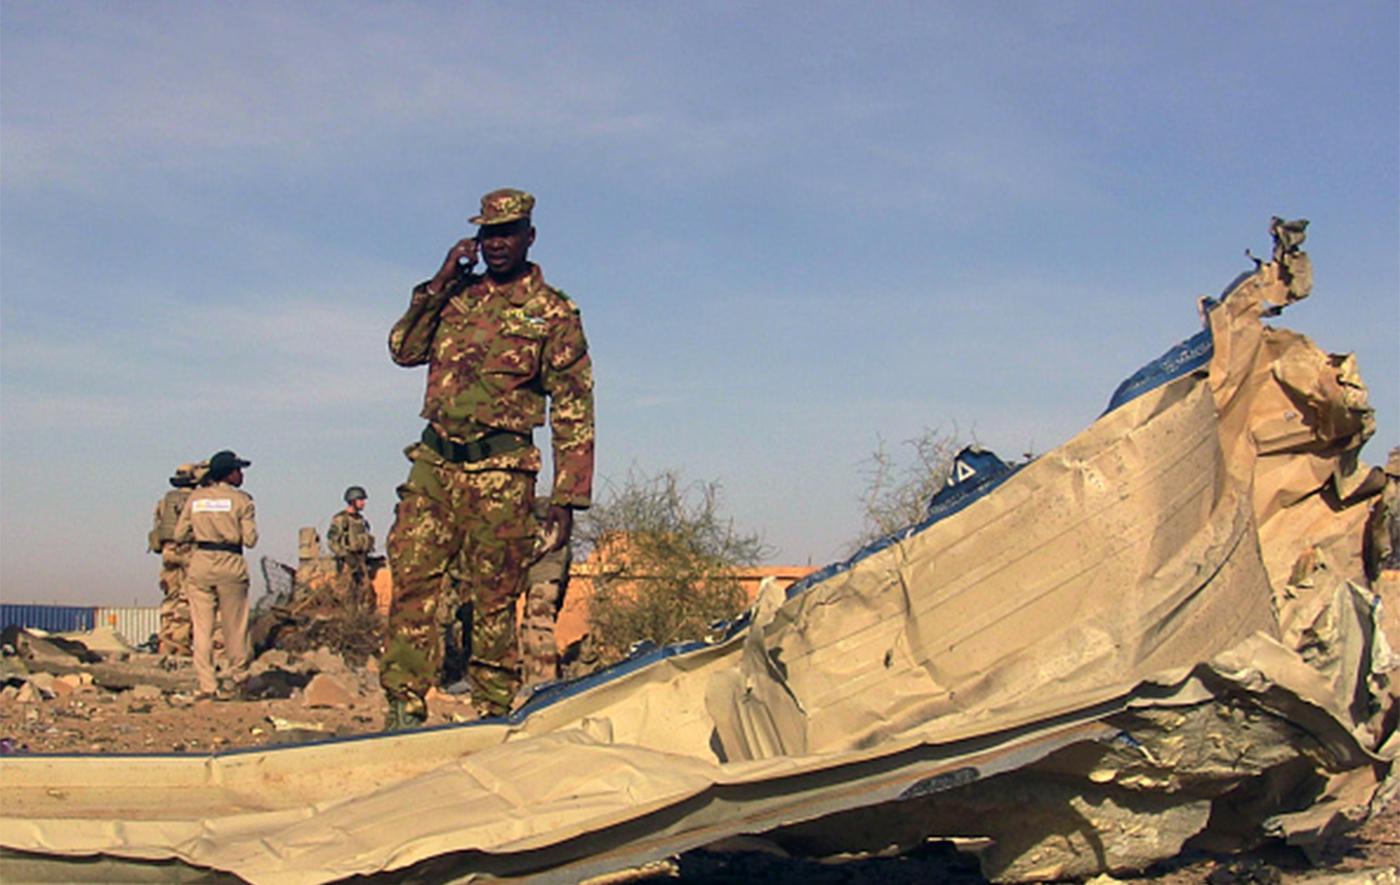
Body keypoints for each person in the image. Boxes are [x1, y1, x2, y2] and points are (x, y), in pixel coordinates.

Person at [379, 187, 594, 728]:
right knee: (412, 583)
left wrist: (567, 500)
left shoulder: (553, 313)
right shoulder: (455, 298)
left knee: (494, 598)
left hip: (501, 472)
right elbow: (404, 349)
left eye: (507, 232)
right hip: (434, 464)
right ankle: (403, 710)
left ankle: (491, 714)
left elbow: (574, 406)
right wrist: (442, 277)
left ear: (529, 236)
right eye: (487, 234)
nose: (496, 244)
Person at [175, 450, 258, 700]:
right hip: (230, 563)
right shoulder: (242, 500)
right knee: (235, 627)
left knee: (202, 629)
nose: (241, 474)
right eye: (238, 470)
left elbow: (180, 534)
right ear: (229, 473)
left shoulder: (196, 499)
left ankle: (207, 685)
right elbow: (251, 540)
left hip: (201, 564)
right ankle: (239, 679)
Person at [147, 461, 206, 655]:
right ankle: (180, 643)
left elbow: (157, 526)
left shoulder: (165, 500)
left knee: (170, 597)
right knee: (186, 598)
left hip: (168, 551)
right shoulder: (198, 500)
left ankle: (166, 640)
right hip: (190, 551)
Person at [327, 485, 375, 607]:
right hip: (346, 563)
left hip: (361, 560)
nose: (364, 503)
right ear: (352, 501)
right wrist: (345, 555)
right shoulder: (341, 519)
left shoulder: (362, 520)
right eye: (361, 500)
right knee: (347, 594)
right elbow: (332, 541)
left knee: (365, 593)